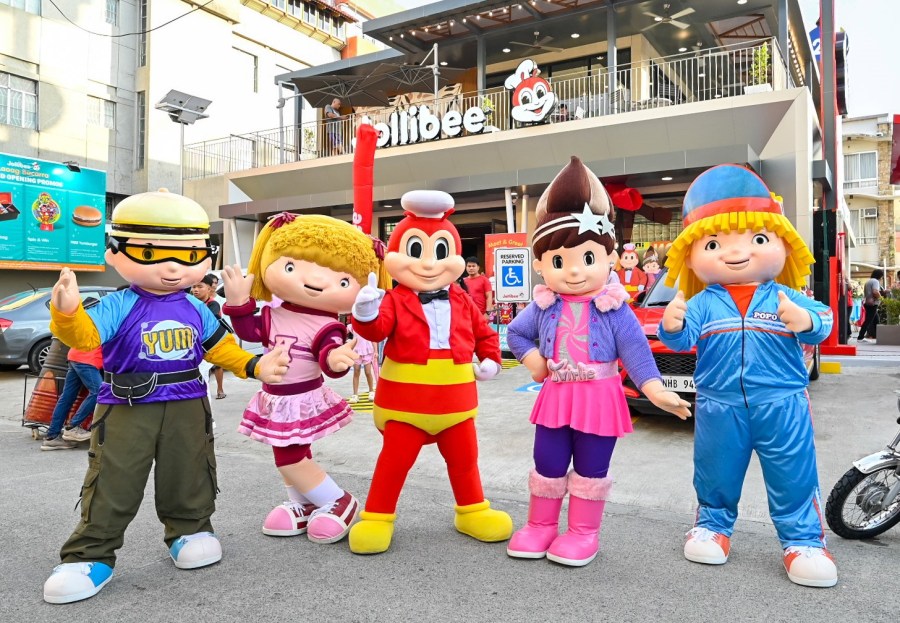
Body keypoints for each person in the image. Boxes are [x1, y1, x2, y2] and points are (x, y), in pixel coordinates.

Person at [42, 190, 289, 605]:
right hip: (127, 405)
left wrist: (255, 365)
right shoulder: (118, 304)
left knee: (189, 471)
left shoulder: (195, 307)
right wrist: (67, 313)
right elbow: (85, 337)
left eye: (189, 256)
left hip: (188, 402)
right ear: (115, 251)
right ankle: (89, 555)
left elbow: (220, 348)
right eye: (150, 253)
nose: (173, 267)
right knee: (113, 479)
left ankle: (190, 530)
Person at [505, 156, 689, 567]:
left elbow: (636, 349)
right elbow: (515, 333)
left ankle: (583, 533)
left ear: (609, 259)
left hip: (600, 397)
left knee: (591, 466)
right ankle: (540, 526)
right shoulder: (544, 304)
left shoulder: (614, 308)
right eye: (559, 262)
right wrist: (535, 362)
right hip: (556, 396)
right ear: (541, 265)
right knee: (547, 461)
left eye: (586, 259)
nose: (573, 272)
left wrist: (656, 390)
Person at [659, 164, 837, 588]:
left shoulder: (785, 295)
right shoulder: (703, 303)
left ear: (782, 244)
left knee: (793, 472)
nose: (735, 253)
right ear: (691, 255)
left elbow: (825, 320)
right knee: (715, 469)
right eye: (714, 244)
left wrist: (805, 321)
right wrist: (671, 324)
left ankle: (803, 541)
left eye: (758, 239)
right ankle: (712, 526)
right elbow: (682, 341)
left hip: (782, 404)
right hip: (719, 405)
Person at [348, 190, 511, 555]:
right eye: (414, 251)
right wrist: (365, 311)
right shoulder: (394, 299)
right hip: (406, 405)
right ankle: (377, 517)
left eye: (439, 251)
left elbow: (484, 334)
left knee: (465, 461)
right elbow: (376, 331)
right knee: (394, 463)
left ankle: (472, 511)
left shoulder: (462, 299)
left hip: (456, 405)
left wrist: (491, 360)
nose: (427, 264)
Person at [222, 212, 389, 544]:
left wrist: (337, 359)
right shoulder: (273, 313)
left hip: (301, 399)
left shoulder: (327, 324)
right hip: (276, 398)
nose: (314, 282)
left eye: (343, 282)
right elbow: (249, 331)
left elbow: (328, 354)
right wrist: (239, 302)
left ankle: (338, 500)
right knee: (291, 451)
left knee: (289, 457)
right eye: (291, 266)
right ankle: (303, 502)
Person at [41, 346, 103, 450]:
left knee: (67, 397)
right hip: (88, 359)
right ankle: (72, 427)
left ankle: (52, 437)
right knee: (99, 391)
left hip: (75, 356)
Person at [192, 274, 227, 399]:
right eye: (194, 287)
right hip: (196, 346)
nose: (195, 290)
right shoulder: (189, 303)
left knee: (216, 367)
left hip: (211, 344)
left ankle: (219, 389)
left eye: (199, 287)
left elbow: (205, 322)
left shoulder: (213, 304)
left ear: (209, 289)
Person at [348, 332, 377, 404]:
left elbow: (373, 338)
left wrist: (376, 351)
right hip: (356, 351)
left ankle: (371, 392)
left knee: (368, 372)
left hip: (367, 351)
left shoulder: (369, 327)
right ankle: (355, 394)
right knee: (356, 371)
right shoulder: (352, 327)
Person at [857, 269, 883, 344]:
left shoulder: (868, 281)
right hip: (873, 303)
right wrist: (881, 298)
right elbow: (875, 291)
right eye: (881, 276)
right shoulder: (875, 281)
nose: (882, 278)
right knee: (868, 320)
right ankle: (860, 337)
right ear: (879, 275)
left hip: (868, 303)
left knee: (876, 320)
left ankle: (880, 337)